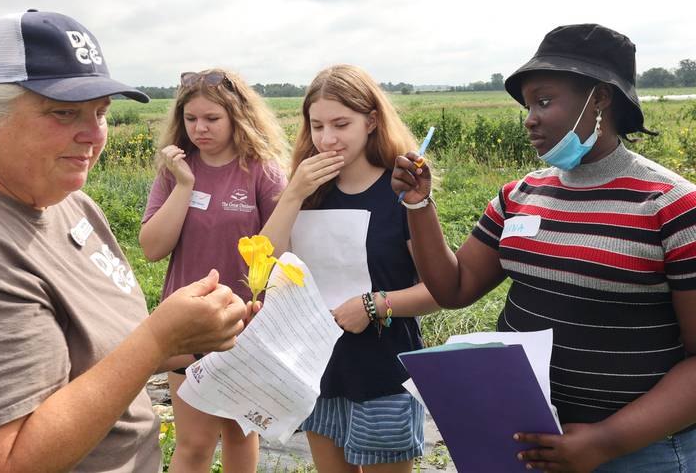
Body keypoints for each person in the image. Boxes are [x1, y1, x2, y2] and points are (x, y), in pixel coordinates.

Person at [0, 10, 249, 473]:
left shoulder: (68, 203)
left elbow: (99, 354)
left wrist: (203, 333)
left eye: (100, 112)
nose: (93, 134)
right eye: (64, 112)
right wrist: (157, 337)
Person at [392, 24, 696, 472]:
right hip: (528, 440)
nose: (530, 118)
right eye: (528, 105)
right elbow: (453, 289)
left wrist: (606, 441)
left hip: (638, 454)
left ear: (600, 98)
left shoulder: (671, 205)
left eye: (545, 100)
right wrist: (419, 205)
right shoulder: (519, 195)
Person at [260, 64, 439, 473]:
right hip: (320, 369)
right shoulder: (309, 193)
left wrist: (374, 305)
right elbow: (264, 267)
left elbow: (439, 290)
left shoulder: (401, 193)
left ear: (371, 121)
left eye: (341, 124)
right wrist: (292, 196)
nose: (327, 139)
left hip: (385, 373)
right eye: (317, 125)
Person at [138, 68, 288, 472]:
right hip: (185, 321)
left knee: (239, 433)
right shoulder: (176, 171)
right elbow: (152, 248)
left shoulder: (261, 170)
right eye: (191, 119)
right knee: (194, 442)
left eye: (211, 118)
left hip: (244, 324)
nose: (200, 128)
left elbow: (283, 248)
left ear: (236, 116)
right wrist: (184, 186)